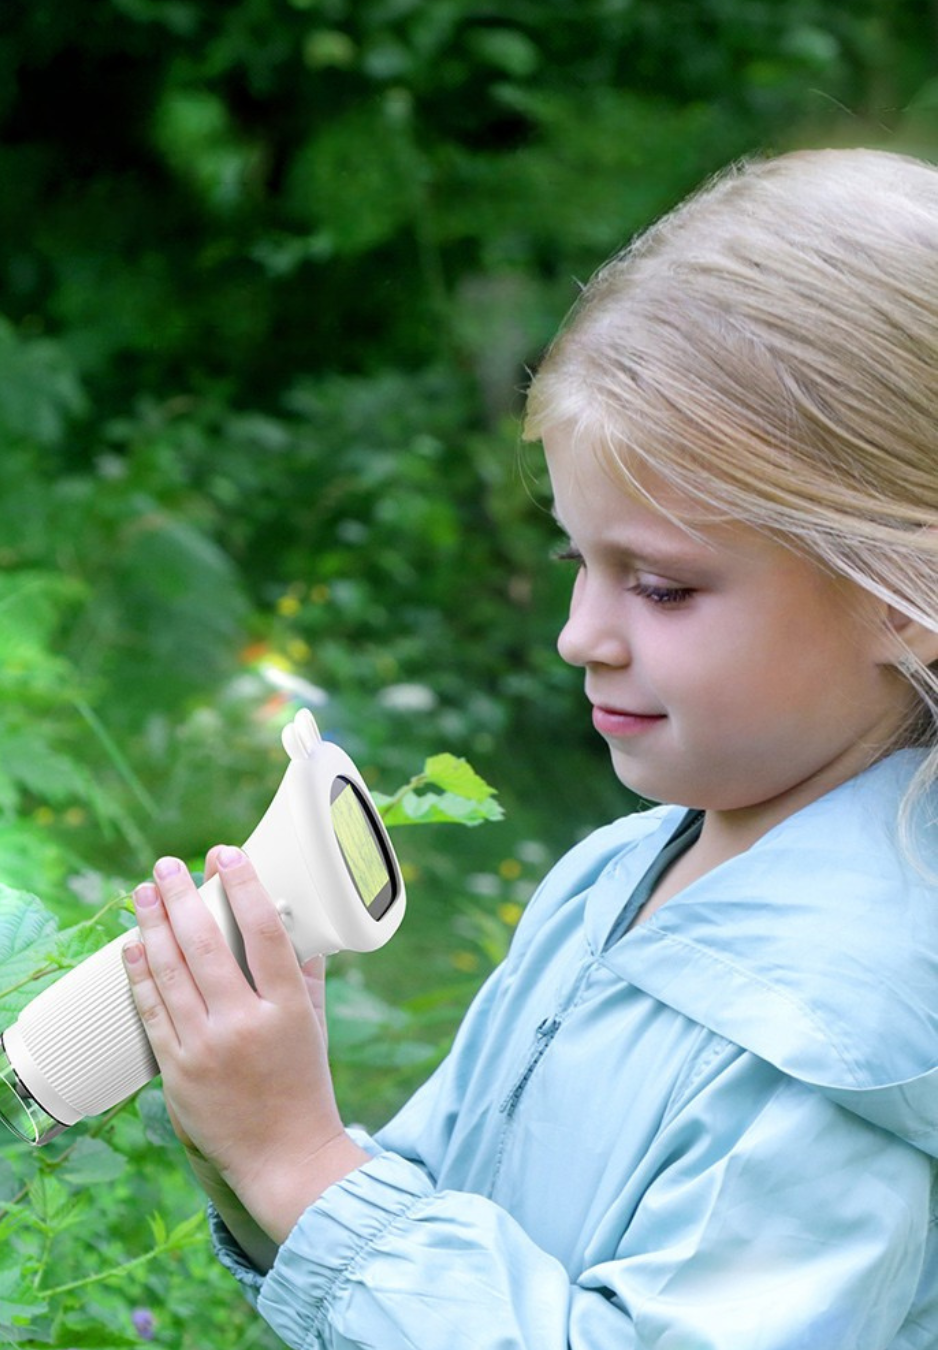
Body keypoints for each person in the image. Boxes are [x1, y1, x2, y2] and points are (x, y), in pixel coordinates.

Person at [122, 146, 938, 1348]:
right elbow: (441, 1219)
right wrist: (259, 1134)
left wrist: (300, 1167)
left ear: (904, 589)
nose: (578, 638)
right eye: (577, 561)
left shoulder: (856, 1029)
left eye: (660, 586)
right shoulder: (618, 875)